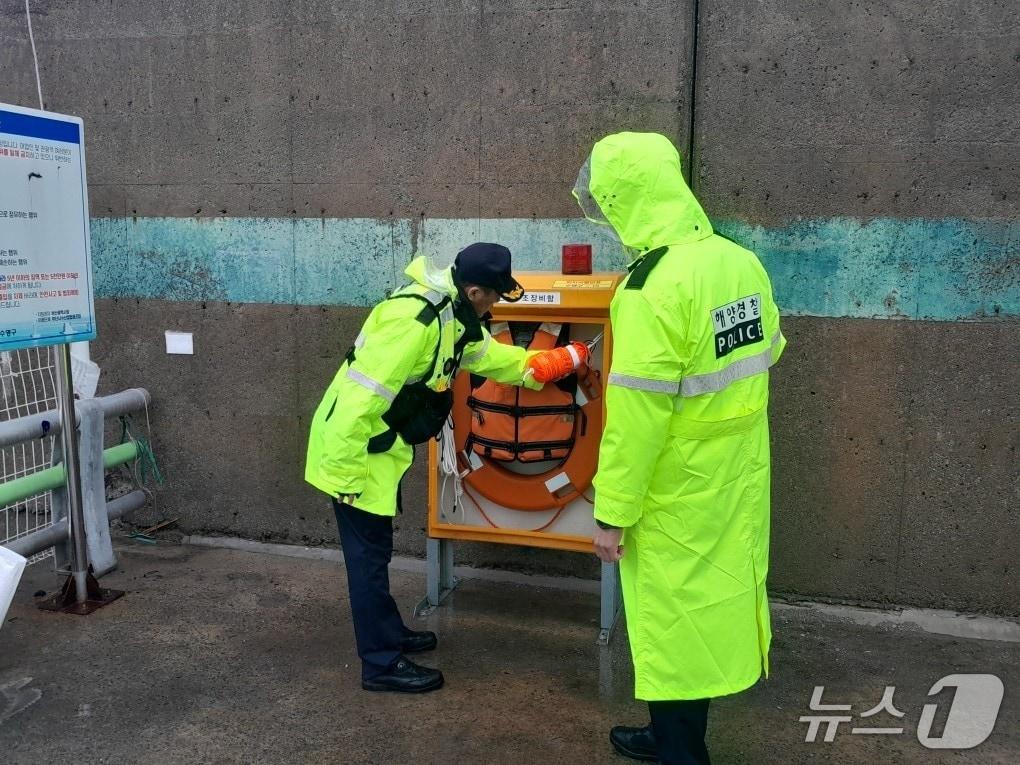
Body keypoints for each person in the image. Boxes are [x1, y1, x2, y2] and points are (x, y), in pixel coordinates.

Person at [573, 132, 786, 764]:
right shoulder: (739, 261)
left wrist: (612, 514)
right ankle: (672, 735)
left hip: (675, 493)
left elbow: (636, 422)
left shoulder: (650, 288)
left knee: (670, 623)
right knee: (707, 616)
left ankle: (681, 753)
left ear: (625, 201)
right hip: (738, 476)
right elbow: (770, 349)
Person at [305, 243, 548, 694]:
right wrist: (346, 477)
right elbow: (358, 399)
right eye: (495, 297)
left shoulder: (453, 315)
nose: (495, 305)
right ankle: (380, 664)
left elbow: (486, 358)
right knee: (367, 563)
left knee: (377, 554)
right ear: (474, 291)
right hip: (353, 454)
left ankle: (389, 634)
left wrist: (547, 364)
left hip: (379, 451)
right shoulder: (413, 321)